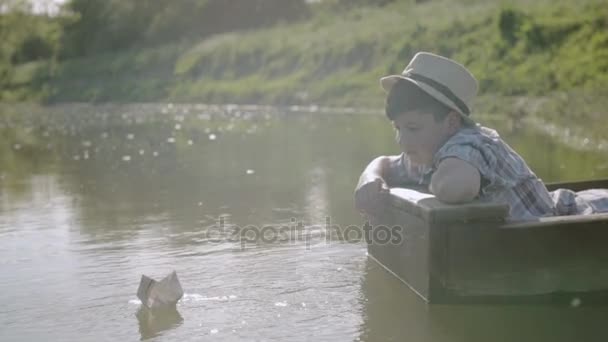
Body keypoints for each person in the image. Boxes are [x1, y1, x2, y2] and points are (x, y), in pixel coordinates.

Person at [354, 51, 557, 221]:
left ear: (451, 123)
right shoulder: (425, 149)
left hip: (556, 218)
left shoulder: (468, 144)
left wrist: (428, 182)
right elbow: (385, 163)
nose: (402, 140)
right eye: (398, 128)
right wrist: (371, 177)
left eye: (413, 128)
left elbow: (457, 188)